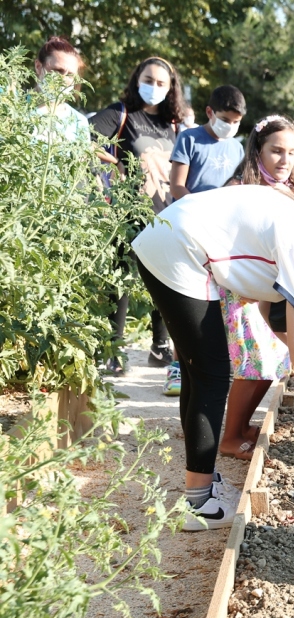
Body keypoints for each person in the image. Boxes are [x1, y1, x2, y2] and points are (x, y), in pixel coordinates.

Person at [131, 185, 294, 530]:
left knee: (202, 373)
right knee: (211, 374)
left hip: (171, 237)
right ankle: (198, 506)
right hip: (178, 247)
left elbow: (274, 319)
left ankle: (202, 486)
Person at [91, 56, 186, 373]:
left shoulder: (174, 124)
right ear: (136, 79)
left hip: (166, 213)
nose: (154, 87)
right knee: (119, 282)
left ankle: (160, 348)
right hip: (126, 212)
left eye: (161, 83)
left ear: (171, 87)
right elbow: (85, 139)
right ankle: (112, 351)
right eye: (148, 80)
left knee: (165, 280)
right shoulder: (121, 114)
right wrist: (114, 165)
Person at [217, 115, 294, 457]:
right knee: (254, 361)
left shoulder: (289, 191)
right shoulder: (238, 189)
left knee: (276, 357)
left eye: (292, 153)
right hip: (236, 288)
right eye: (276, 151)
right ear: (258, 152)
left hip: (264, 291)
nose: (285, 160)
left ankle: (241, 427)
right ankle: (228, 438)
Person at [169, 85, 246, 199]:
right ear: (210, 112)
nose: (230, 126)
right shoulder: (189, 139)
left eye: (236, 122)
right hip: (190, 213)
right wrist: (199, 210)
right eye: (225, 120)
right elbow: (176, 187)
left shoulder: (237, 147)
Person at [33, 36, 89, 143]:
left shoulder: (79, 123)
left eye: (70, 75)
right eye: (58, 71)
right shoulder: (14, 107)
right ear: (38, 66)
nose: (63, 79)